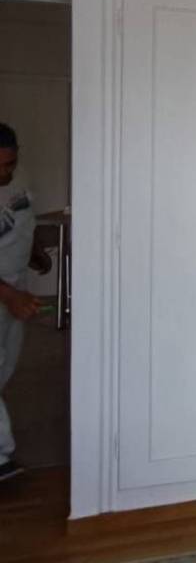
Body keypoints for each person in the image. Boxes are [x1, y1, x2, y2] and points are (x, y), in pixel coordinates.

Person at [0, 122, 51, 482]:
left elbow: (21, 225)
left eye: (11, 163)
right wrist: (10, 295)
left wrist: (34, 253)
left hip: (15, 288)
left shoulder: (18, 184)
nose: (6, 172)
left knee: (5, 369)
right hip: (6, 291)